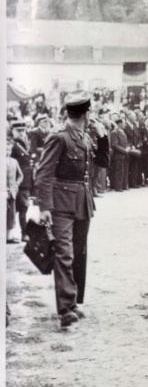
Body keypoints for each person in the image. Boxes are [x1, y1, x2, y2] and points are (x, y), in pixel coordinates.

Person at [34, 92, 110, 328]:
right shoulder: (59, 137)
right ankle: (66, 308)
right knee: (64, 253)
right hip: (61, 204)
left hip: (81, 202)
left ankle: (74, 302)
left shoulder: (84, 137)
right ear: (86, 114)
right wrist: (44, 207)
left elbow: (102, 164)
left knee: (78, 252)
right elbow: (43, 173)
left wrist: (104, 138)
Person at [10, 120, 35, 242]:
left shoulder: (25, 143)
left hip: (26, 180)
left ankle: (23, 232)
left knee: (23, 208)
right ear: (12, 131)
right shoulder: (12, 145)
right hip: (17, 181)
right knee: (21, 208)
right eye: (18, 131)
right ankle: (23, 233)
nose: (21, 133)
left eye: (23, 130)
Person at [6, 137, 23, 243]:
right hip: (3, 191)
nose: (7, 152)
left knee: (11, 215)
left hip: (12, 192)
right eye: (5, 150)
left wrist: (16, 185)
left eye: (9, 150)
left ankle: (8, 236)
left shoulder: (14, 161)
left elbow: (21, 175)